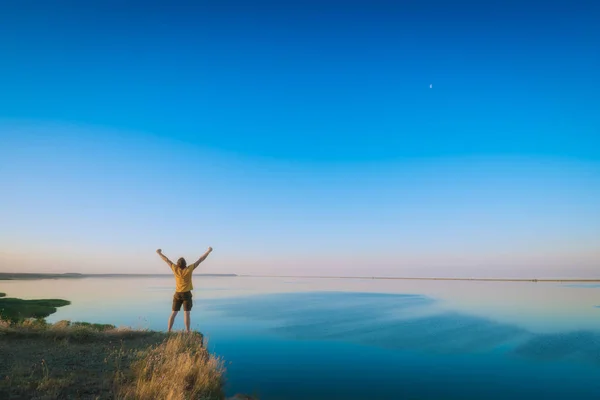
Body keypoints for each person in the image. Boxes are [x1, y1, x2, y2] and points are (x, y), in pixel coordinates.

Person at [156, 247, 213, 332]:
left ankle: (168, 330)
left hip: (177, 294)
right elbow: (200, 260)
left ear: (178, 264)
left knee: (173, 313)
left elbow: (167, 260)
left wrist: (159, 253)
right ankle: (187, 331)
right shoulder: (189, 269)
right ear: (185, 264)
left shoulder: (175, 269)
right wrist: (208, 251)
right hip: (186, 294)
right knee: (186, 313)